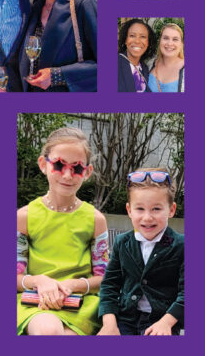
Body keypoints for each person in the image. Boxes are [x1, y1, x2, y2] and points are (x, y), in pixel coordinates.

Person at [17, 127, 107, 335]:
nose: (68, 175)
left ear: (87, 172)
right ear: (43, 164)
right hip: (34, 303)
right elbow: (13, 275)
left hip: (80, 303)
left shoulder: (96, 220)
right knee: (48, 331)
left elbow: (103, 278)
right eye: (59, 165)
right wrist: (40, 281)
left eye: (76, 168)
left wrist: (71, 285)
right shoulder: (24, 217)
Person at [98, 169, 184, 335]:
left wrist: (166, 322)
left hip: (163, 321)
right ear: (129, 210)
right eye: (140, 209)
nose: (147, 217)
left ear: (171, 210)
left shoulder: (182, 245)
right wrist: (109, 323)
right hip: (126, 319)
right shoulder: (122, 242)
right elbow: (109, 285)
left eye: (156, 209)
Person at [117, 18, 155, 93]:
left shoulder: (145, 69)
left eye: (143, 36)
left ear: (148, 43)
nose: (137, 41)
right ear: (125, 40)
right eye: (132, 35)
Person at [148, 23, 184, 92]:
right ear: (160, 41)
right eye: (166, 38)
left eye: (175, 39)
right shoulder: (150, 64)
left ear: (181, 44)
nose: (170, 43)